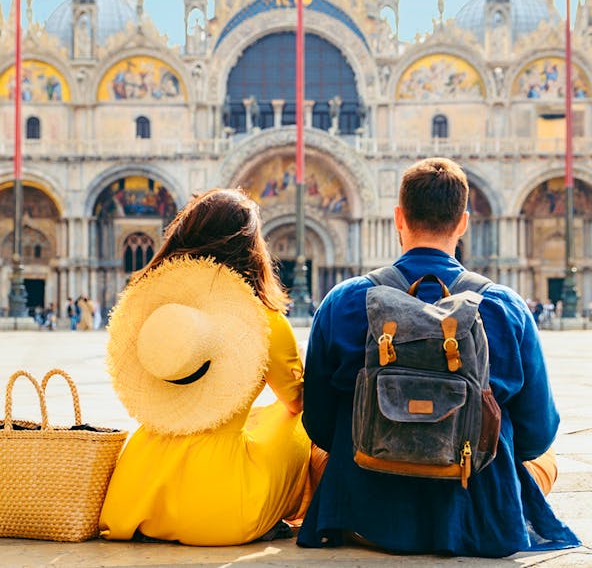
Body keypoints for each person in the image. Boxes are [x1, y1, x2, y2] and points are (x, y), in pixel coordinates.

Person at [298, 157, 580, 558]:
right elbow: (537, 433)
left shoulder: (342, 301)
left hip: (365, 515)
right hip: (478, 517)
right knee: (545, 456)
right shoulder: (506, 307)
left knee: (313, 454)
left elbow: (319, 424)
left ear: (399, 218)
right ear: (463, 222)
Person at [100, 188, 319, 545]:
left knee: (259, 416)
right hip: (222, 510)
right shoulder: (262, 319)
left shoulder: (161, 309)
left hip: (134, 497)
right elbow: (297, 400)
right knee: (297, 421)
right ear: (251, 246)